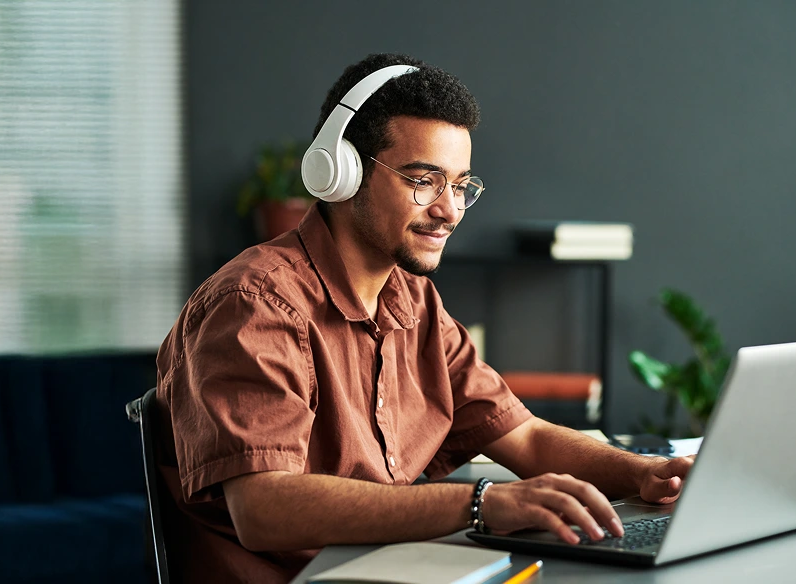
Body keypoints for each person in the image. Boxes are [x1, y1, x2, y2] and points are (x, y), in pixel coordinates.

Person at [154, 53, 694, 584]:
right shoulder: (254, 303)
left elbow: (523, 438)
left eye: (460, 185)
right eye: (423, 180)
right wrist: (482, 503)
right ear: (341, 173)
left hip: (395, 568)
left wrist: (646, 474)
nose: (449, 210)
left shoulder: (415, 301)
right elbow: (263, 506)